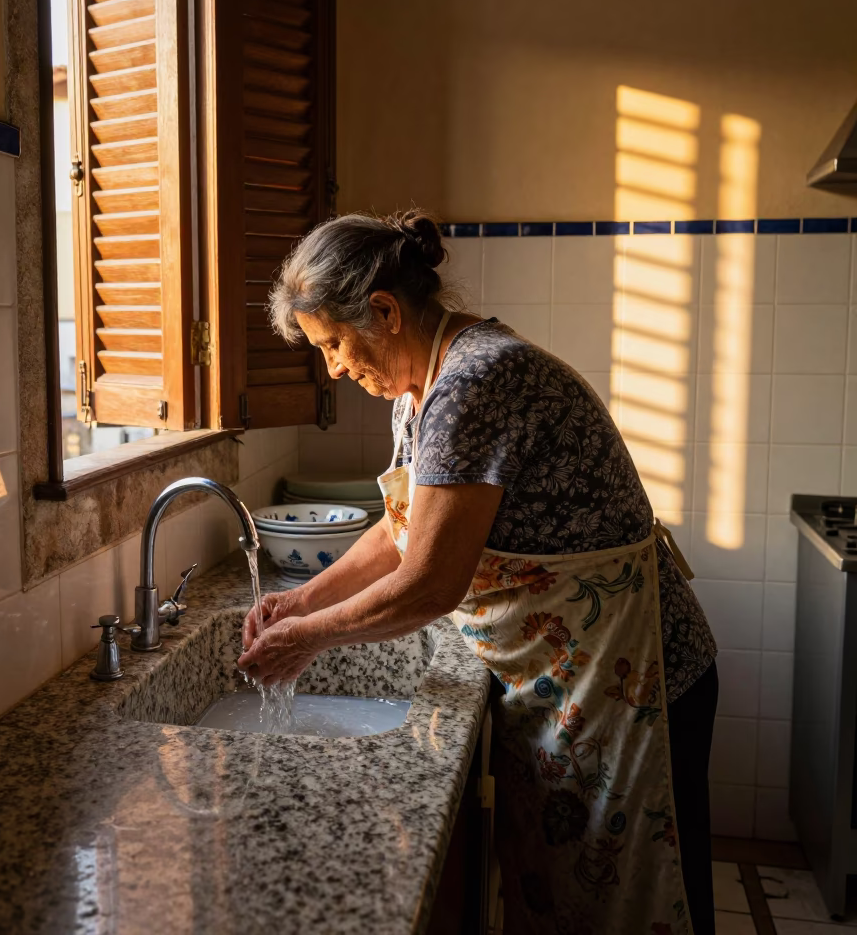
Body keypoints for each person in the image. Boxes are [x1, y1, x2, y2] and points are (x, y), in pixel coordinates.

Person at [238, 209, 718, 935]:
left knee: (650, 894)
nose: (333, 366)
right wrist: (301, 598)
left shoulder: (475, 383)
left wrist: (308, 637)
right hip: (583, 674)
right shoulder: (421, 388)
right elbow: (408, 530)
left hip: (643, 676)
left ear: (384, 311)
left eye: (333, 343)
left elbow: (431, 582)